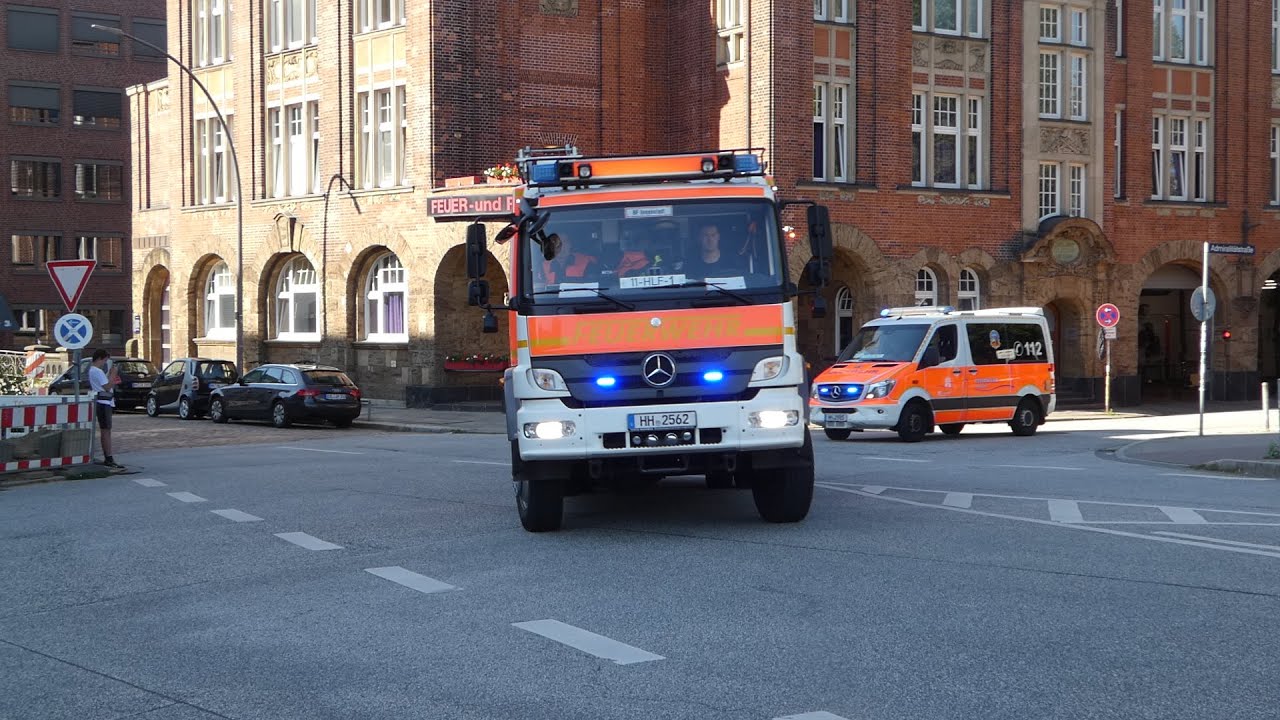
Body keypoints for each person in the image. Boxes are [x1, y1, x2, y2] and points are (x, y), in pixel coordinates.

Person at [88, 349, 122, 469]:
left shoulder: (94, 371)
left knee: (105, 430)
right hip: (104, 402)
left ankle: (108, 457)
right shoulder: (96, 371)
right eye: (105, 360)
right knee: (106, 430)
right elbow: (107, 387)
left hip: (103, 402)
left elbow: (105, 383)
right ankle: (109, 457)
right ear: (100, 358)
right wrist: (114, 373)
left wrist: (109, 375)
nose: (105, 363)